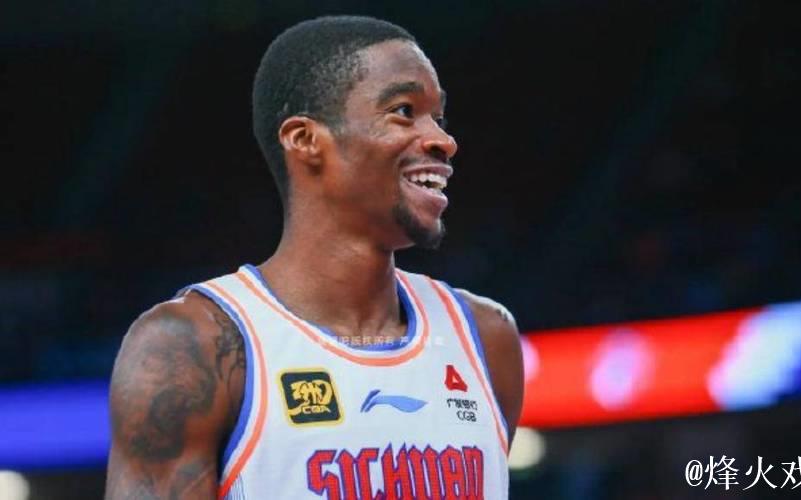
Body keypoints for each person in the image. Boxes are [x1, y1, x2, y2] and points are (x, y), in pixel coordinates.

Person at [105, 15, 524, 500]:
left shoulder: (486, 338)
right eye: (405, 111)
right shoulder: (192, 347)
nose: (443, 140)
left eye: (439, 119)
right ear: (305, 140)